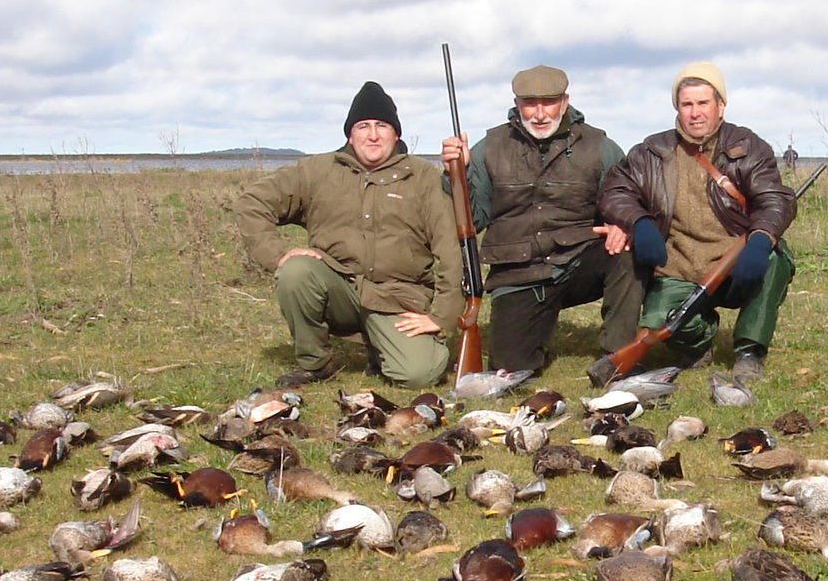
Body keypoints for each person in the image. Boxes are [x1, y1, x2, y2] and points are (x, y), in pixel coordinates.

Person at [233, 81, 463, 387]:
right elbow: (252, 202)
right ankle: (315, 364)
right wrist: (277, 255)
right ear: (349, 134)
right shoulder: (317, 170)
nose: (372, 134)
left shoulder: (422, 176)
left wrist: (441, 317)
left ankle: (380, 350)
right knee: (297, 271)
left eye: (382, 125)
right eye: (363, 126)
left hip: (398, 297)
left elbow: (450, 249)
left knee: (419, 376)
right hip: (338, 289)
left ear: (396, 133)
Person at [596, 61, 796, 379]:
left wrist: (760, 239)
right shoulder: (651, 151)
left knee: (775, 258)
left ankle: (749, 351)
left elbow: (774, 199)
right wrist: (639, 222)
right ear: (677, 107)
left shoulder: (749, 148)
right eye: (687, 104)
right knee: (661, 323)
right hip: (677, 266)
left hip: (735, 263)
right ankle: (698, 344)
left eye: (703, 103)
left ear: (721, 106)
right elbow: (615, 191)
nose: (695, 112)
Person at [438, 65, 639, 376]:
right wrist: (457, 175)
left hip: (579, 262)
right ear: (517, 105)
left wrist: (621, 223)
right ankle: (534, 340)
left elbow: (625, 198)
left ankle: (617, 358)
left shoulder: (600, 147)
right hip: (520, 271)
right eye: (530, 103)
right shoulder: (488, 148)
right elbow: (473, 221)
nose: (540, 113)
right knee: (510, 369)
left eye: (549, 102)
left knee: (627, 249)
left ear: (565, 102)